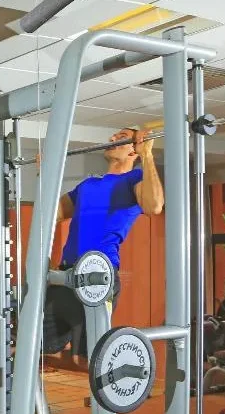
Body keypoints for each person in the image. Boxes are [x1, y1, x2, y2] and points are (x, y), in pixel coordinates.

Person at [42, 128, 164, 357]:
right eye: (113, 136)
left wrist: (147, 154)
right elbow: (51, 213)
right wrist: (46, 176)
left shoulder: (134, 179)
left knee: (90, 357)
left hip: (97, 276)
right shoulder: (87, 185)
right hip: (65, 275)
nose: (112, 138)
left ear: (133, 150)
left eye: (121, 137)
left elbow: (154, 206)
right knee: (37, 345)